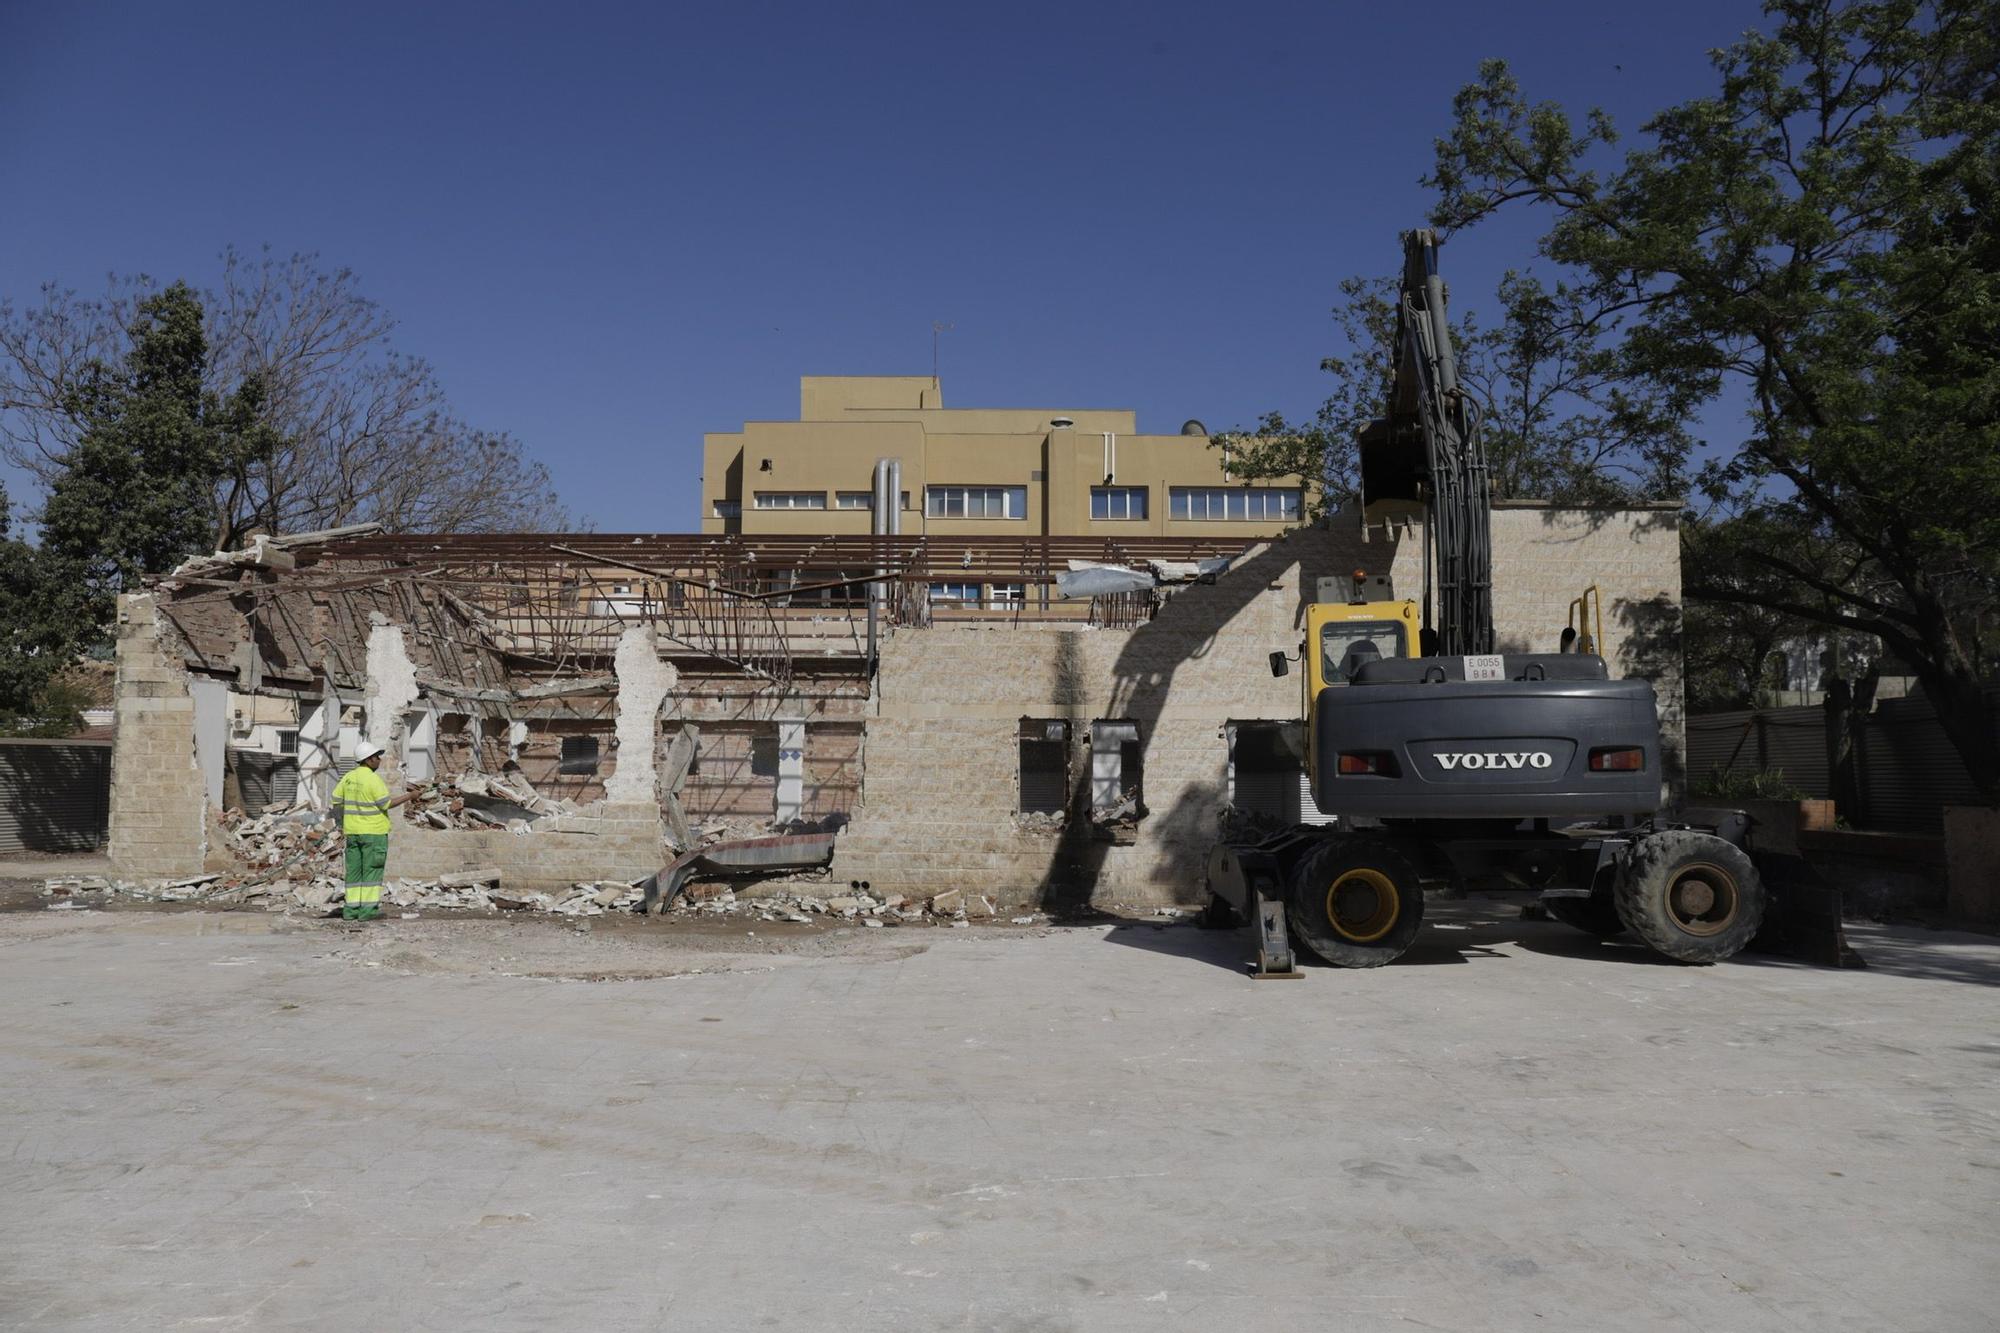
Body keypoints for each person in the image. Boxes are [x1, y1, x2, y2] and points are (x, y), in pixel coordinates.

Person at [330, 742, 416, 921]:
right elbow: (386, 804)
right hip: (374, 834)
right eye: (377, 757)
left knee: (353, 872)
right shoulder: (373, 779)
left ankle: (351, 910)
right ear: (368, 760)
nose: (379, 760)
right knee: (371, 872)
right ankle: (367, 912)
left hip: (353, 833)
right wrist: (410, 796)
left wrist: (348, 814)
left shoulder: (348, 777)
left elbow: (336, 799)